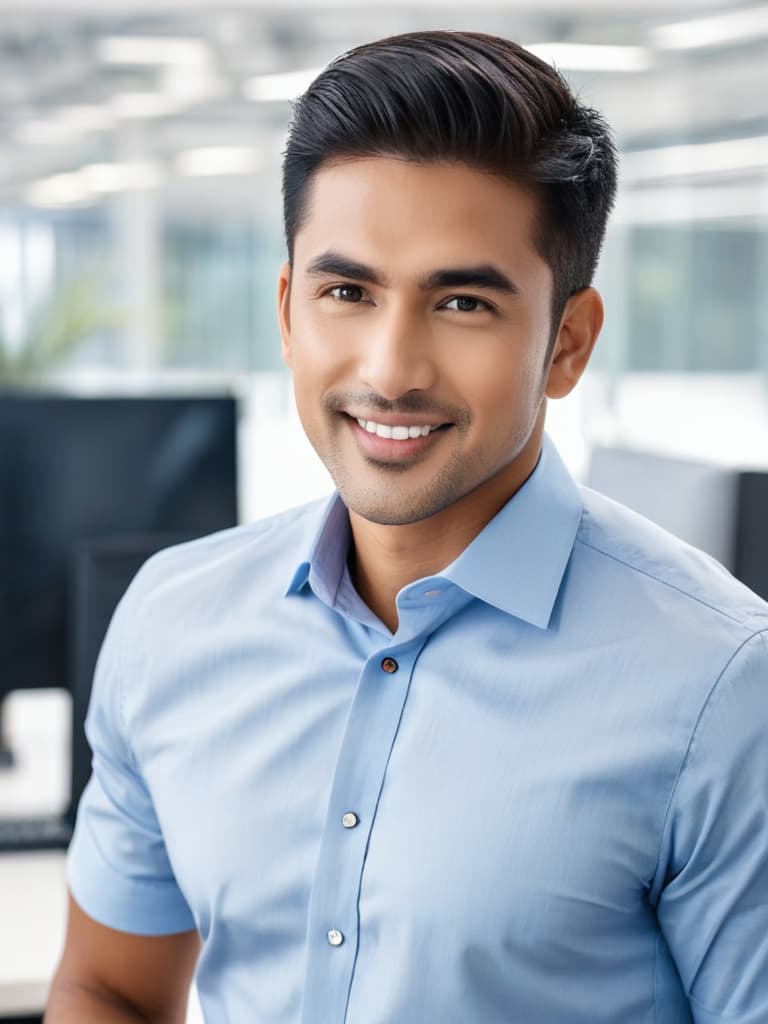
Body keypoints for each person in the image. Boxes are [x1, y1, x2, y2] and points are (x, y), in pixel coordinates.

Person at [46, 29, 768, 1024]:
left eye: (462, 301)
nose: (390, 368)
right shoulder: (172, 625)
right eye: (348, 292)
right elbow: (110, 987)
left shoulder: (725, 689)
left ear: (568, 342)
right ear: (290, 309)